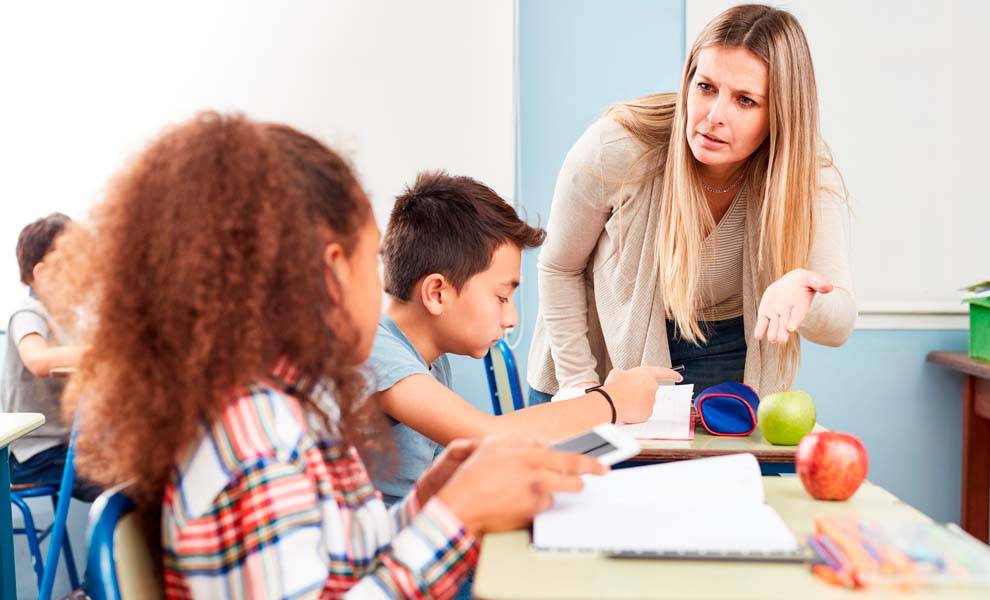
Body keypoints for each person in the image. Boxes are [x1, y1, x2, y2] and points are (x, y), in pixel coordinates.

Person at [48, 112, 605, 598]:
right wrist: (454, 520)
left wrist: (429, 503)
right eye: (373, 262)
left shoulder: (288, 405)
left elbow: (338, 562)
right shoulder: (256, 435)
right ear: (330, 270)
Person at [527, 4, 855, 404]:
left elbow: (838, 324)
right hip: (594, 347)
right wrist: (579, 388)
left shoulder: (805, 172)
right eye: (706, 87)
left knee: (725, 468)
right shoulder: (617, 148)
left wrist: (804, 292)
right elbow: (560, 267)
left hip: (725, 346)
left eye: (745, 100)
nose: (714, 116)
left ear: (781, 115)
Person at [367, 171, 681, 504]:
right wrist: (613, 401)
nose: (512, 318)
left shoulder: (429, 360)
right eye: (502, 297)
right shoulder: (376, 349)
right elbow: (486, 435)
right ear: (437, 293)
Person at [1, 213, 95, 499]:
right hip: (33, 455)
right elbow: (38, 360)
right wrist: (98, 352)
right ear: (43, 275)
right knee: (122, 483)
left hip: (65, 447)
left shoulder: (70, 323)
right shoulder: (29, 314)